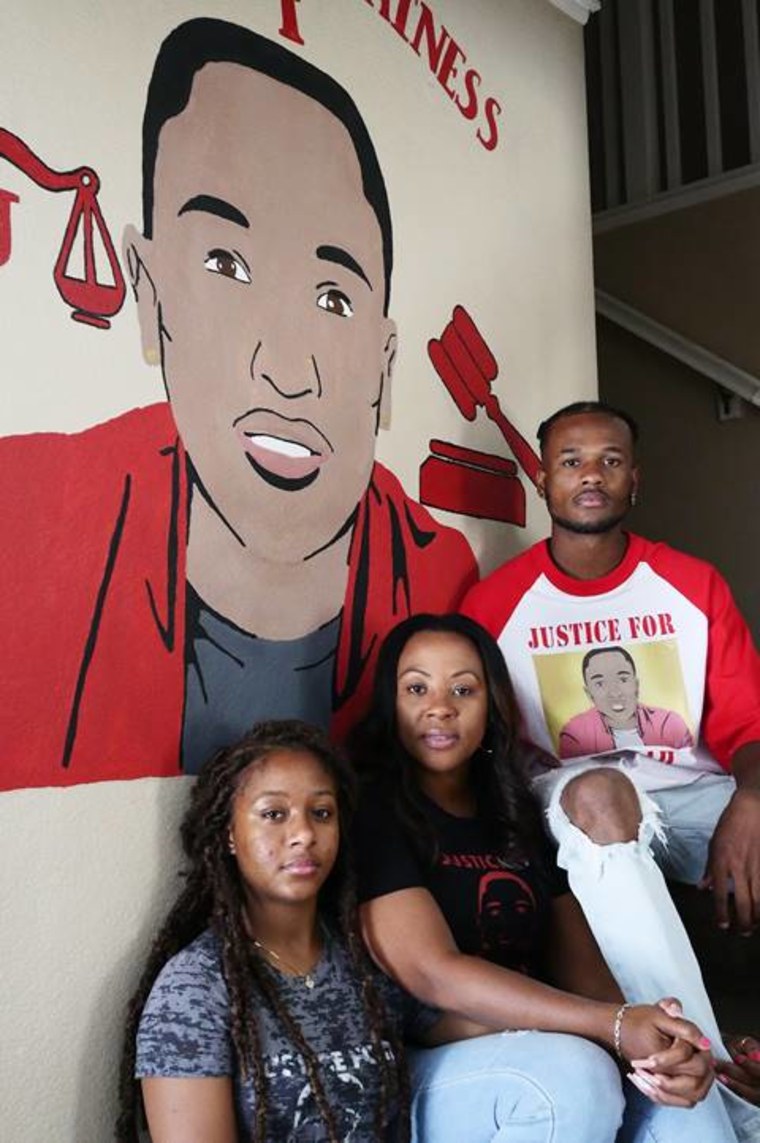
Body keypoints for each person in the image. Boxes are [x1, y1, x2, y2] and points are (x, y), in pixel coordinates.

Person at [0, 17, 476, 791]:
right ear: (151, 300)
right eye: (226, 262)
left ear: (384, 366)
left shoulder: (441, 584)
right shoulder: (27, 516)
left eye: (334, 295)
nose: (288, 371)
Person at [461, 400, 760, 1125]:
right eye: (570, 461)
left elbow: (748, 722)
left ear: (636, 481)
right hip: (575, 807)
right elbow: (480, 743)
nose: (590, 475)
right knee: (601, 786)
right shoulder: (495, 604)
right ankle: (709, 1068)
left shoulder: (692, 584)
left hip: (694, 796)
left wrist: (749, 802)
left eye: (610, 460)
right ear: (541, 479)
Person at [350, 612, 743, 1143]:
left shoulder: (514, 816)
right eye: (416, 688)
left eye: (463, 689)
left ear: (491, 707)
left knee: (679, 1105)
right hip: (433, 1065)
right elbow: (431, 974)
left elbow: (587, 976)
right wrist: (611, 1026)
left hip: (548, 1037)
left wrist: (655, 1040)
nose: (440, 707)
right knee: (577, 1075)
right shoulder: (372, 811)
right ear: (389, 703)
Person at [117, 718, 485, 1143]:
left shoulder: (364, 956)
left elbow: (466, 1020)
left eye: (321, 813)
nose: (304, 834)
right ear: (229, 835)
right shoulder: (193, 990)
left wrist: (572, 1024)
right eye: (274, 814)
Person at [559, 645, 693, 759]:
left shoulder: (669, 723)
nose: (615, 692)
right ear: (589, 694)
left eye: (623, 680)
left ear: (636, 685)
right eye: (600, 684)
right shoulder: (575, 734)